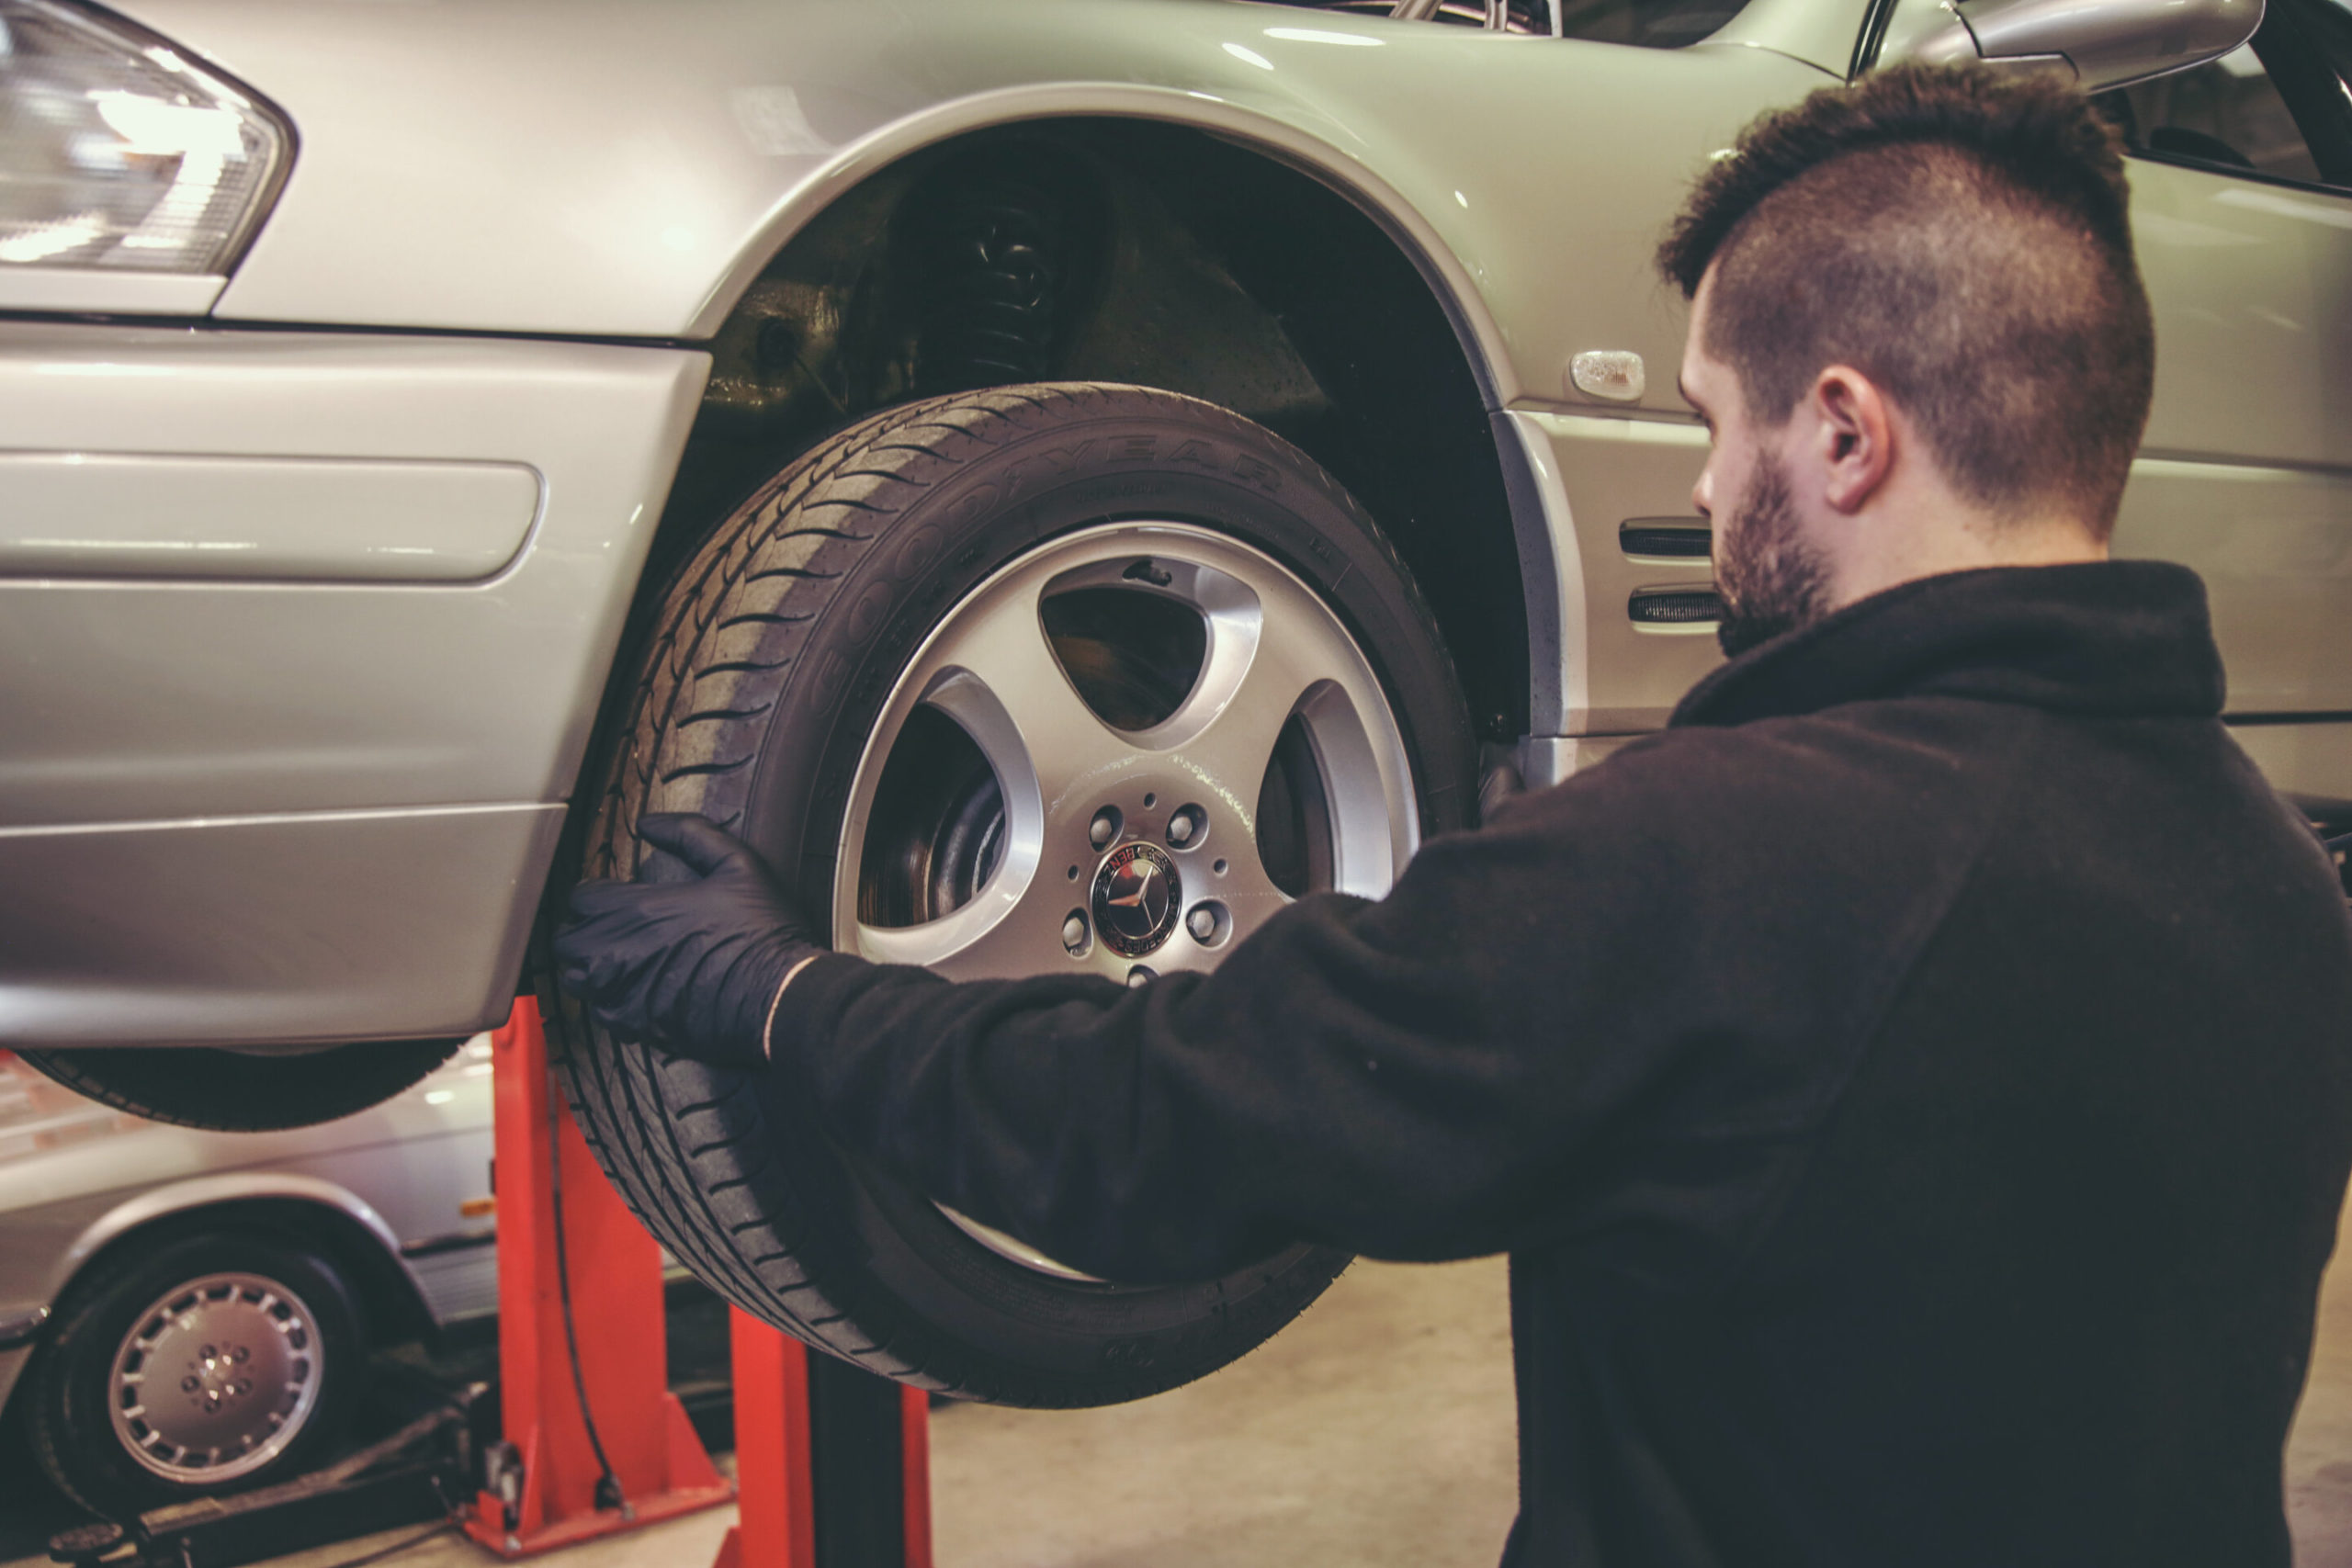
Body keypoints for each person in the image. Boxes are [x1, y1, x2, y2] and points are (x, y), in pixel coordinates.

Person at [552, 64, 2352, 1566]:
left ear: (1842, 432)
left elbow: (1143, 1132)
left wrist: (774, 992)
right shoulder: (2278, 883)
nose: (1707, 483)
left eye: (1709, 423)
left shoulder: (1709, 859)